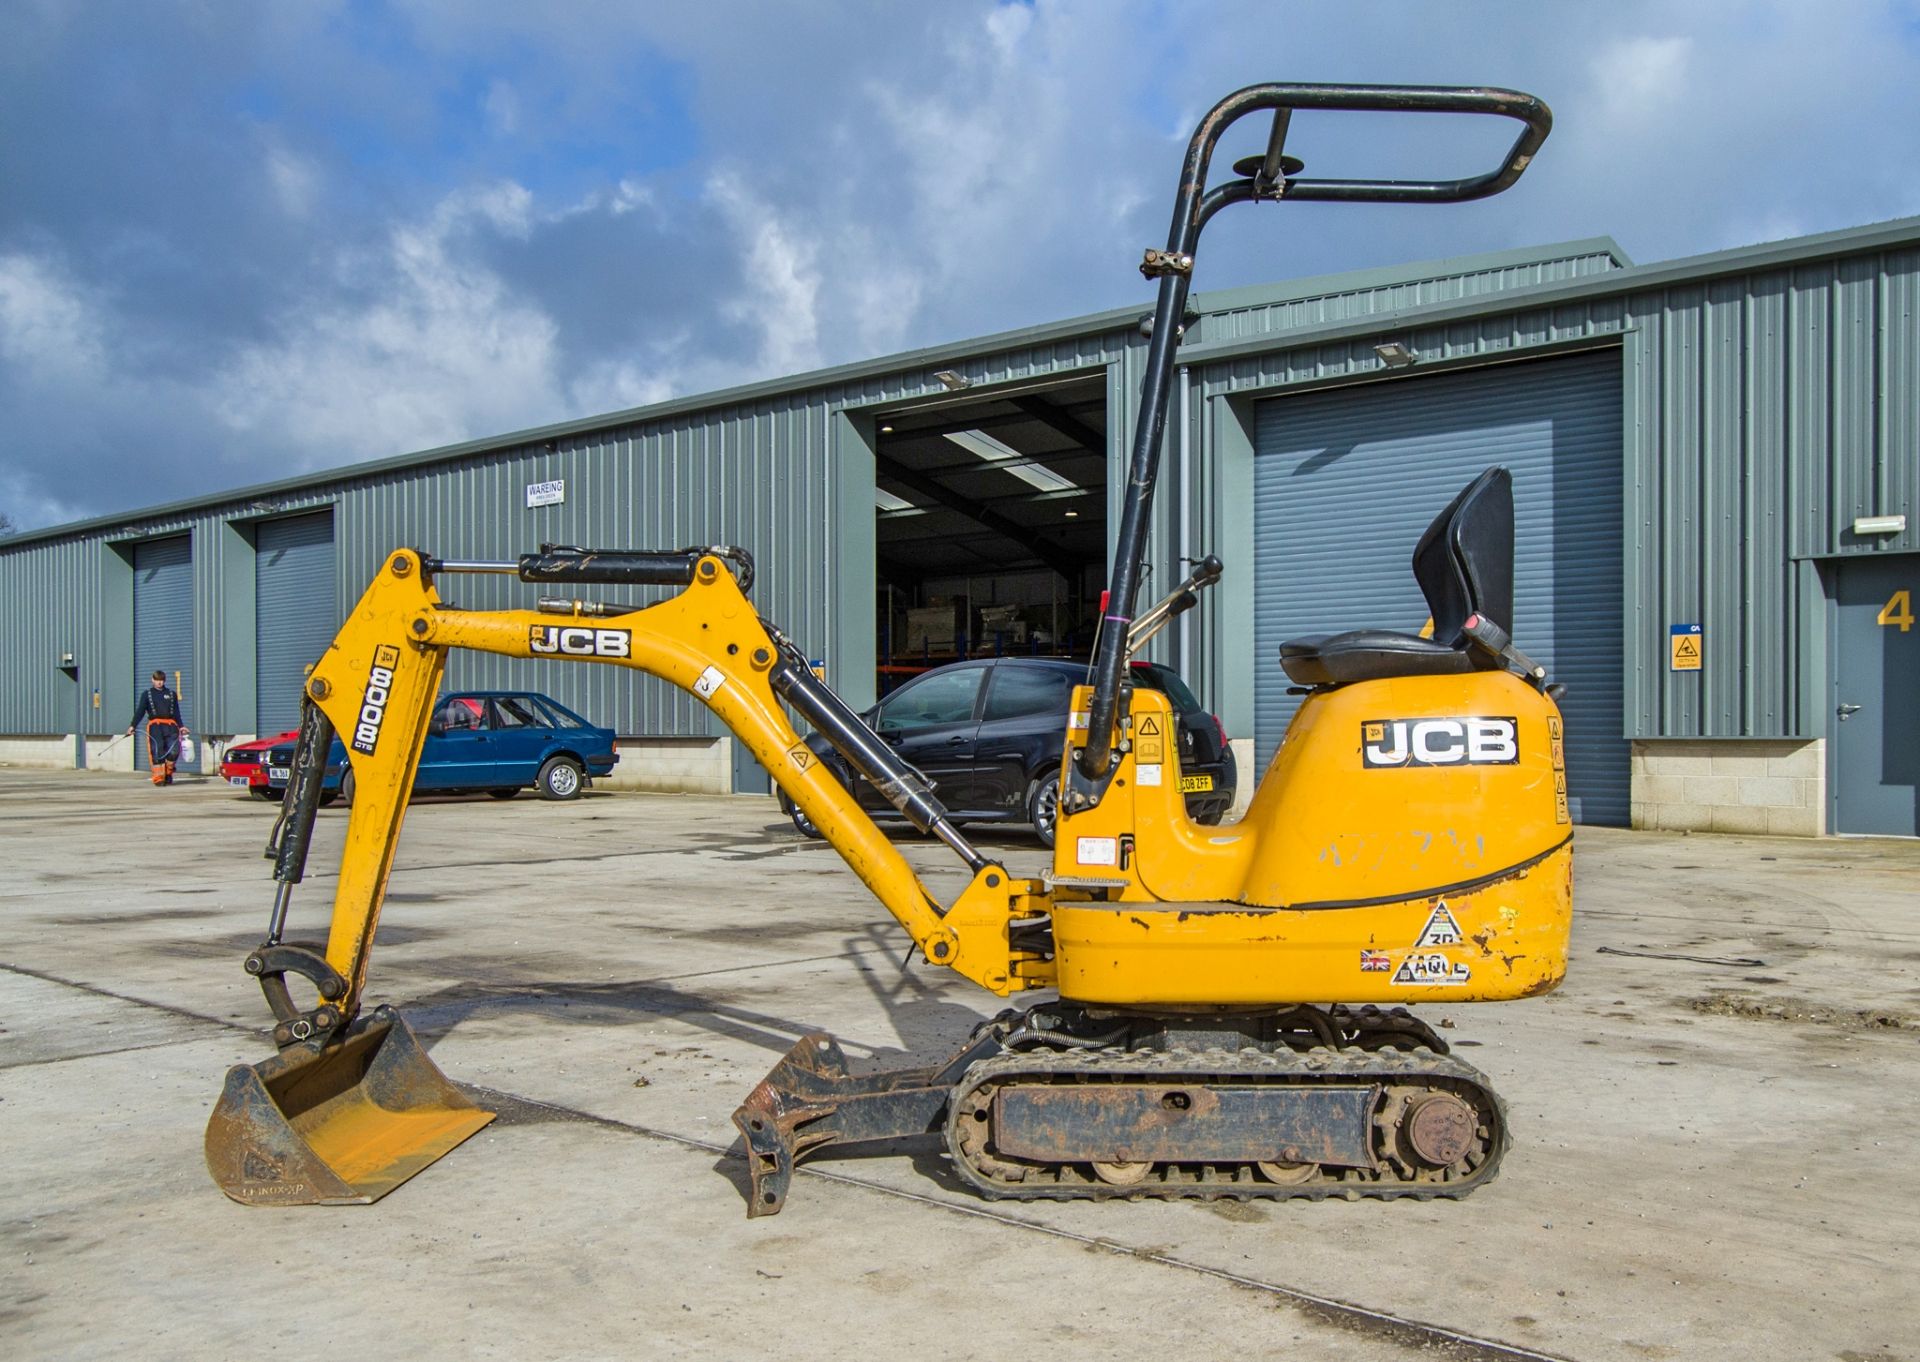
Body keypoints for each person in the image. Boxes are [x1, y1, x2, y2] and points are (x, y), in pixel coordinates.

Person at [129, 669, 189, 786]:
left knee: (174, 751)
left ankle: (168, 773)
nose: (159, 683)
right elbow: (140, 711)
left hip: (171, 725)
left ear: (164, 681)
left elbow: (177, 712)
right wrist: (133, 725)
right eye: (157, 680)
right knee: (157, 750)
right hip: (155, 726)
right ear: (152, 680)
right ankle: (158, 777)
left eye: (161, 680)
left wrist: (181, 726)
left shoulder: (171, 694)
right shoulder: (147, 694)